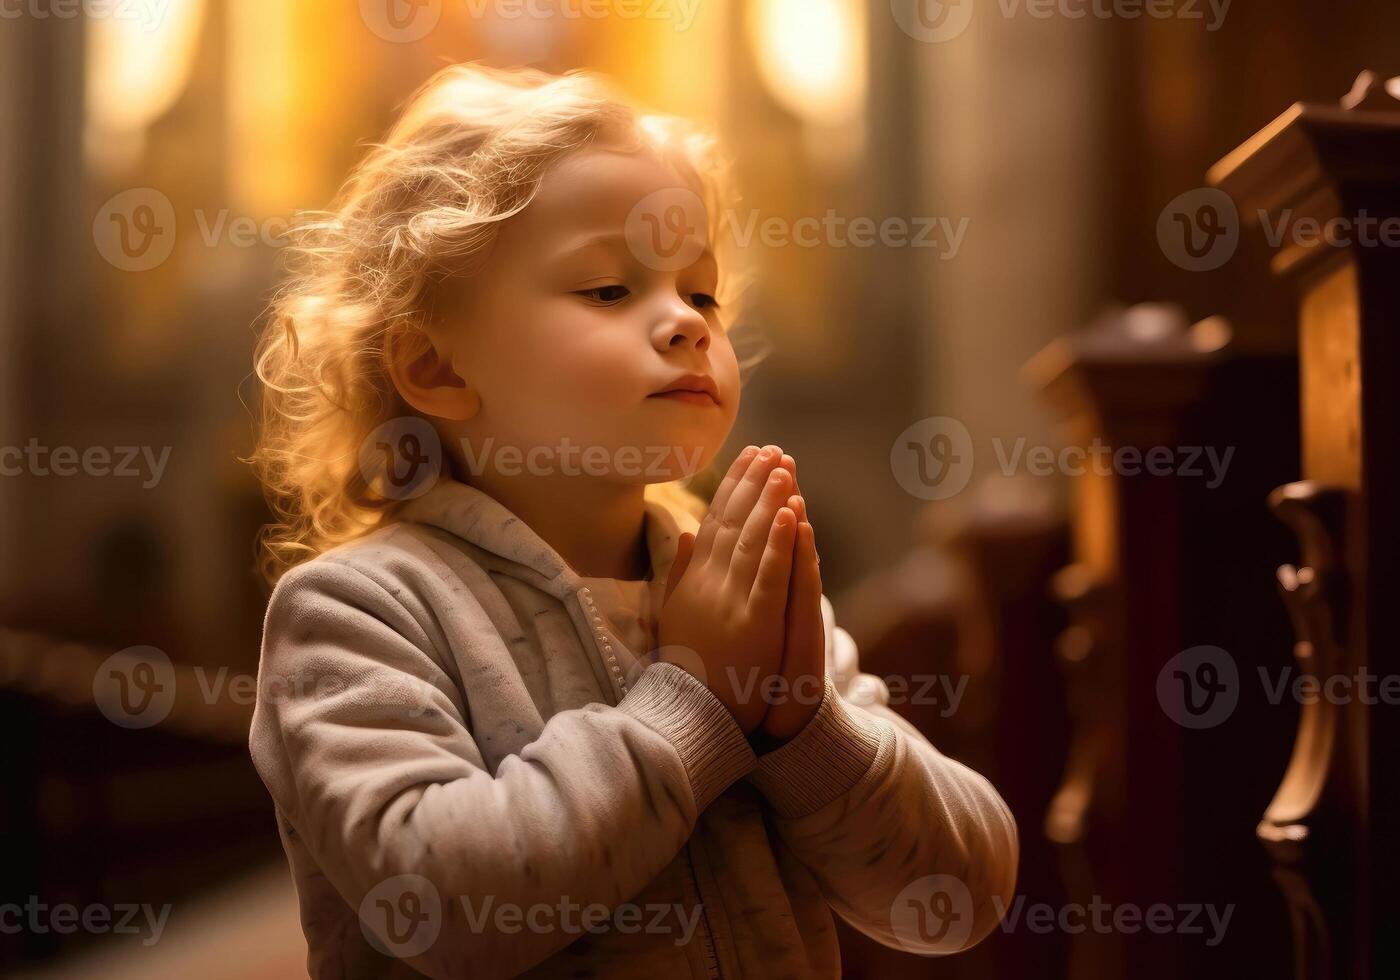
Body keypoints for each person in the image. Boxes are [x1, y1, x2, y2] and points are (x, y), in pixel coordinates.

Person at [246, 63, 1017, 979]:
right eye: (609, 290)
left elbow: (959, 898)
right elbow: (436, 902)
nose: (686, 325)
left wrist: (803, 727)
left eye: (702, 293)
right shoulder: (356, 611)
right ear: (439, 370)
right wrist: (693, 701)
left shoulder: (738, 589)